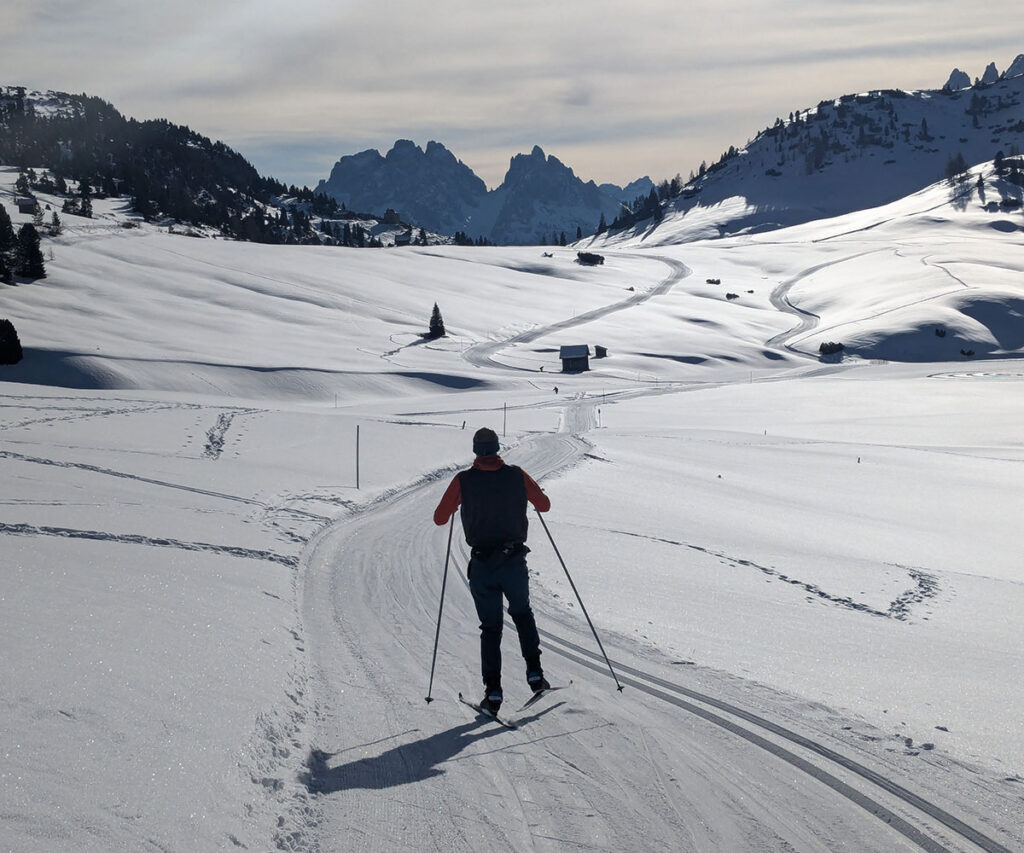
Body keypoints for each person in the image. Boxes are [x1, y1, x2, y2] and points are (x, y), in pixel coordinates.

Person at [433, 427, 551, 715]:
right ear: (498, 448)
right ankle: (535, 674)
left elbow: (439, 519)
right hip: (513, 563)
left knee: (490, 628)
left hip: (483, 566)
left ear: (475, 451)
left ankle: (493, 693)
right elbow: (544, 506)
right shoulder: (517, 475)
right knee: (522, 614)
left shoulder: (463, 480)